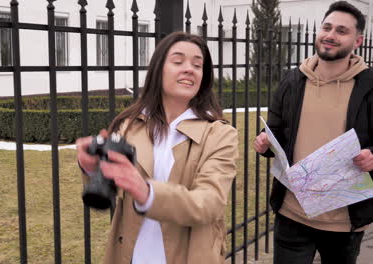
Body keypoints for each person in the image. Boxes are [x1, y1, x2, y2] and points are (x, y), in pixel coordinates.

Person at [76, 32, 238, 264]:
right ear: (158, 69)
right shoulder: (129, 126)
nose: (189, 69)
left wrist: (147, 192)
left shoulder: (220, 135)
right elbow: (113, 192)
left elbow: (209, 202)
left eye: (197, 65)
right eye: (178, 61)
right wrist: (93, 169)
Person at [254, 1, 373, 263]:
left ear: (358, 41)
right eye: (327, 27)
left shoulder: (369, 85)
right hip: (292, 214)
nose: (330, 35)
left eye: (341, 31)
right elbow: (273, 130)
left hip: (343, 222)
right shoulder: (292, 80)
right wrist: (264, 142)